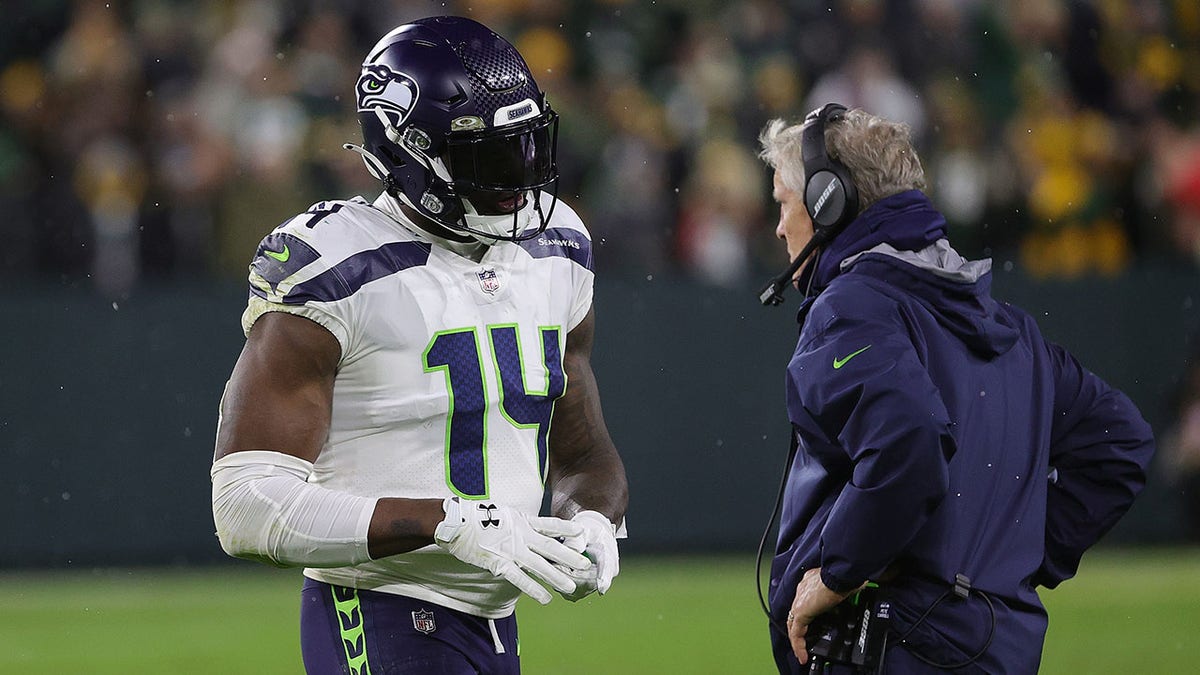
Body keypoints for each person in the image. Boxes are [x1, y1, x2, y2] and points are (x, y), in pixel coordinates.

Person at [209, 16, 628, 674]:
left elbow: (581, 449)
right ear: (408, 150)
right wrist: (448, 522)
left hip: (496, 627)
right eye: (488, 157)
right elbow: (244, 505)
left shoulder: (559, 244)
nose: (519, 181)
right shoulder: (336, 264)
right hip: (382, 606)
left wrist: (594, 519)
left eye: (524, 147)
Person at [755, 103, 1154, 673]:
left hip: (894, 647)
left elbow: (909, 443)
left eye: (783, 203)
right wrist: (1001, 559)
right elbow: (1121, 443)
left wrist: (841, 570)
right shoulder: (1012, 329)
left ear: (827, 201)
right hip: (999, 646)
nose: (778, 227)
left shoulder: (851, 308)